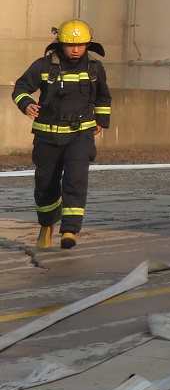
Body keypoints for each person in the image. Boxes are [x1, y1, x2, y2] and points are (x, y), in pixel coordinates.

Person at [11, 20, 111, 250]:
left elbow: (103, 97)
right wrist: (26, 104)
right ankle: (46, 225)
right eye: (70, 45)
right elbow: (20, 88)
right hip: (47, 136)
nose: (76, 50)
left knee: (75, 180)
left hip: (80, 135)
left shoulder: (95, 68)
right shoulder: (43, 65)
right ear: (59, 44)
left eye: (81, 45)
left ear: (88, 45)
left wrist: (101, 122)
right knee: (45, 184)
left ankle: (70, 230)